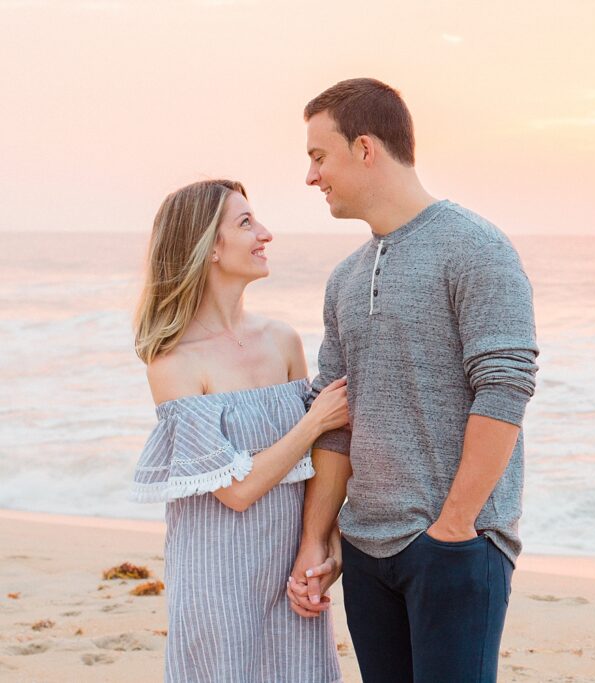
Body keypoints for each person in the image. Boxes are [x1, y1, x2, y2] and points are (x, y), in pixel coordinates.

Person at [285, 78, 539, 682]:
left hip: (455, 545)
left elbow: (505, 386)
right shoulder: (344, 279)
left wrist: (455, 526)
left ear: (366, 148)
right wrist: (316, 541)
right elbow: (337, 418)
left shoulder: (475, 247)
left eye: (319, 156)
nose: (311, 176)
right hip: (366, 550)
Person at [130, 179, 349, 683]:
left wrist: (323, 547)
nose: (264, 233)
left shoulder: (282, 340)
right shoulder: (174, 361)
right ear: (207, 246)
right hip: (216, 579)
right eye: (246, 223)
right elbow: (237, 489)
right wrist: (315, 419)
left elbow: (319, 463)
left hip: (290, 572)